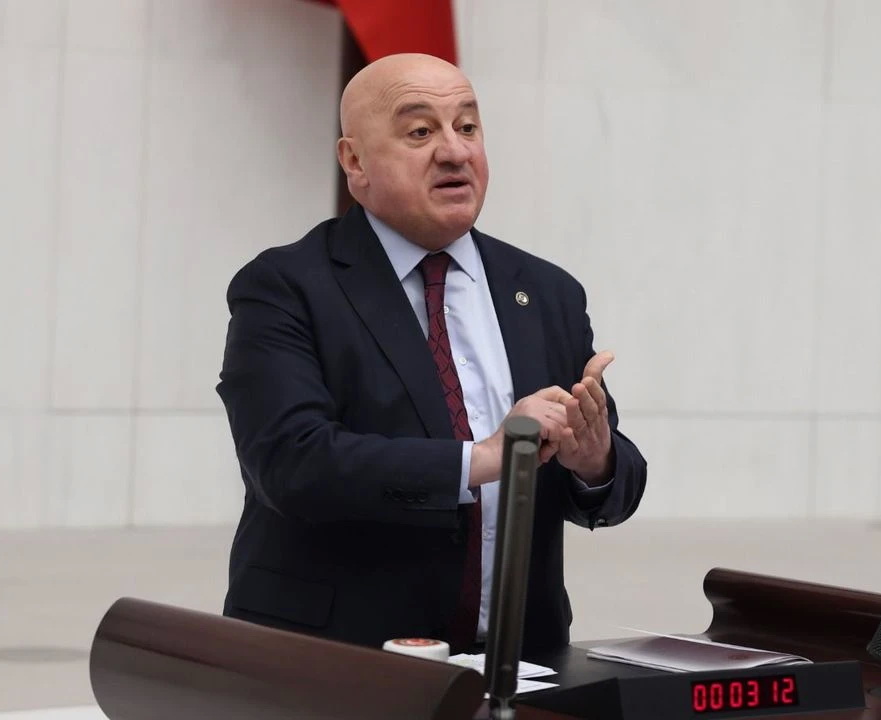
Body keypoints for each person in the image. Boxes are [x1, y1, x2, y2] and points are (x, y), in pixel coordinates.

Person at [215, 53, 648, 654]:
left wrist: (594, 459)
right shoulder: (286, 287)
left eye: (468, 127)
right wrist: (486, 457)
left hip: (520, 661)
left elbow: (615, 489)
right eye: (420, 131)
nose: (454, 151)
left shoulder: (547, 292)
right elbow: (293, 465)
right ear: (355, 162)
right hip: (336, 658)